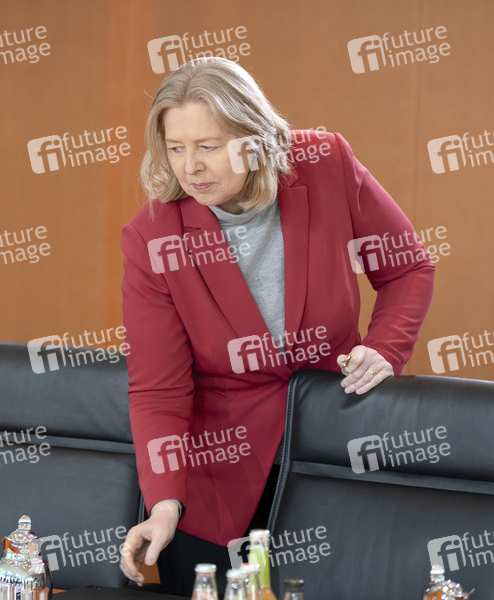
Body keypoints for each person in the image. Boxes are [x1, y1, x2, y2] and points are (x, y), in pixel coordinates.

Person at [118, 57, 434, 594]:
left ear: (253, 139)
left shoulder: (324, 163)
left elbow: (406, 266)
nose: (191, 168)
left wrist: (386, 347)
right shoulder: (153, 236)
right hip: (220, 473)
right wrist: (164, 501)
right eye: (176, 148)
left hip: (334, 447)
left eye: (208, 146)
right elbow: (158, 388)